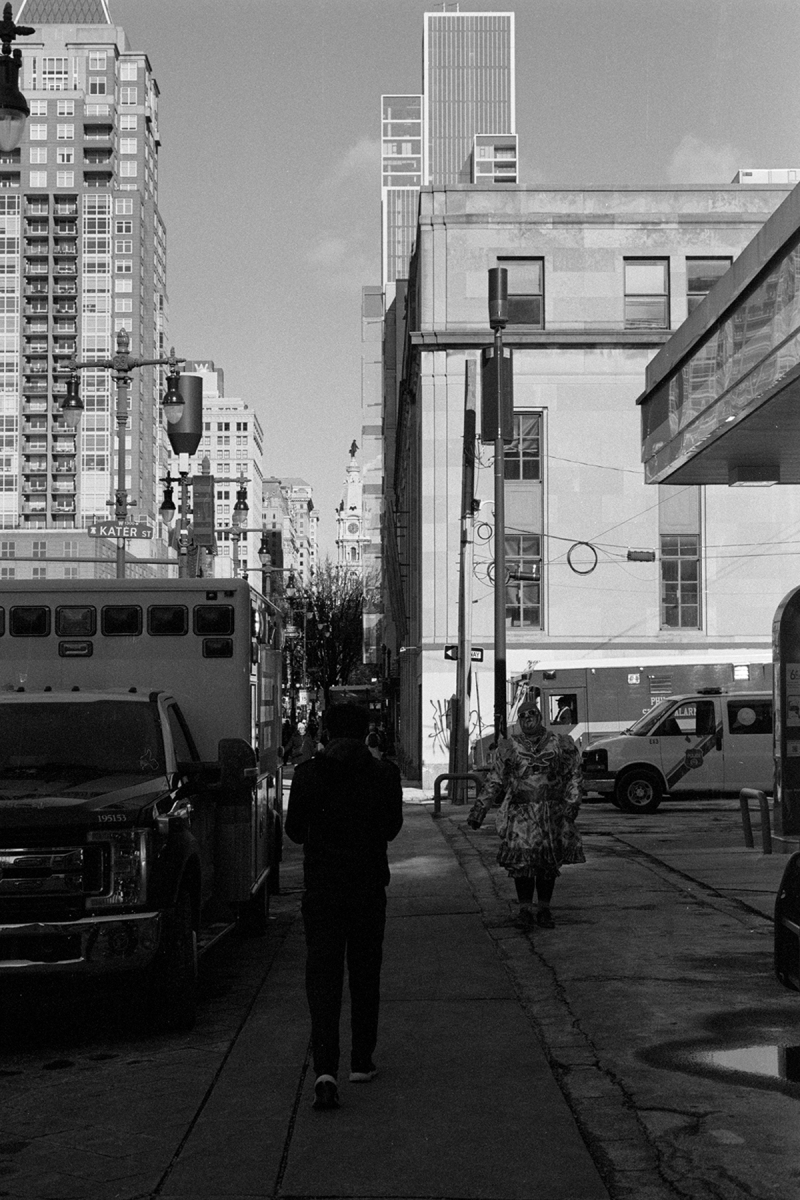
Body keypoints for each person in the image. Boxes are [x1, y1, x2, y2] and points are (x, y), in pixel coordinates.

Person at [285, 702, 403, 1111]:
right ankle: (361, 1060)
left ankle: (325, 1071)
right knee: (365, 973)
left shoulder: (307, 775)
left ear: (327, 732)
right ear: (365, 732)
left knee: (323, 978)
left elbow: (295, 832)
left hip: (323, 889)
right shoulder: (385, 774)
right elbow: (392, 828)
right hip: (367, 888)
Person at [466, 698, 584, 929]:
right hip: (521, 815)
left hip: (551, 814)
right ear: (519, 720)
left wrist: (572, 802)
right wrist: (479, 810)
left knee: (547, 865)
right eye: (523, 716)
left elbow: (575, 773)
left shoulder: (560, 743)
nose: (527, 719)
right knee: (522, 865)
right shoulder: (510, 747)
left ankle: (544, 909)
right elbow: (495, 780)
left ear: (539, 716)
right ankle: (525, 910)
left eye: (531, 715)